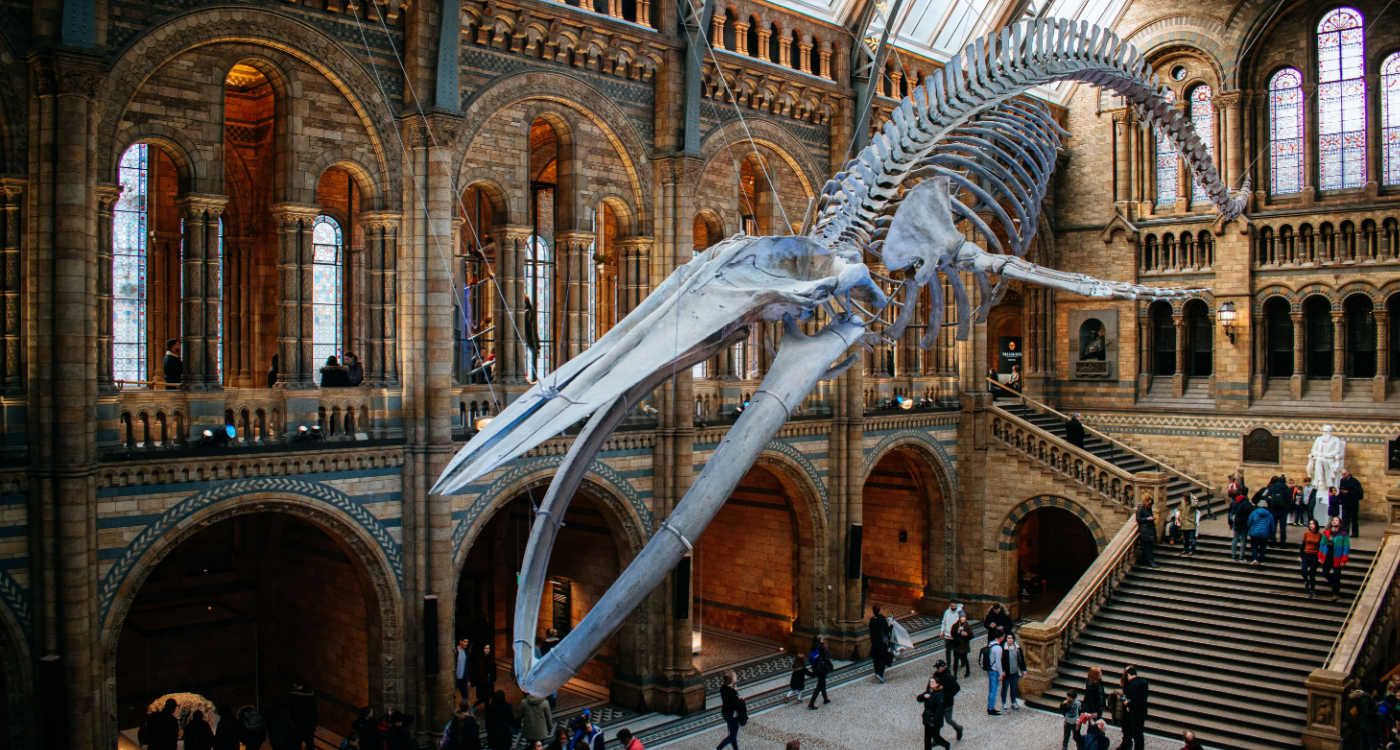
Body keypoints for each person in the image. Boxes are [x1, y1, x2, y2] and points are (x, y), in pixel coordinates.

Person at [1320, 516, 1351, 601]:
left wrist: (1344, 559)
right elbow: (1322, 545)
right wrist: (1320, 556)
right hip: (1328, 556)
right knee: (1325, 573)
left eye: (1336, 520)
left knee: (1337, 575)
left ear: (1340, 523)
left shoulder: (1343, 534)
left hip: (1337, 557)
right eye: (1333, 520)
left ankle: (1335, 593)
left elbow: (1346, 547)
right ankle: (1334, 584)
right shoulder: (1326, 532)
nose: (1334, 521)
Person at [916, 676, 952, 749]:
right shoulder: (929, 690)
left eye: (932, 682)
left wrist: (933, 721)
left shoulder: (939, 695)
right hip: (927, 718)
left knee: (936, 737)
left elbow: (939, 711)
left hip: (934, 721)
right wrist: (923, 696)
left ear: (937, 684)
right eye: (930, 682)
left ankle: (946, 745)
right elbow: (919, 699)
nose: (930, 683)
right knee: (927, 738)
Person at [1307, 425, 1346, 492]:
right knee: (1319, 460)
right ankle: (1320, 480)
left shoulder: (1335, 440)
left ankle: (1326, 481)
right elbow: (1313, 450)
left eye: (1327, 431)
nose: (1325, 433)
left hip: (1330, 459)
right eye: (1324, 431)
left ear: (1330, 432)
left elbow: (1337, 451)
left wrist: (1327, 455)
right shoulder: (1318, 439)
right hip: (1320, 457)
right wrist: (1319, 454)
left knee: (1322, 461)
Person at [932, 660, 964, 742]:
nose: (936, 669)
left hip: (947, 703)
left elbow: (957, 688)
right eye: (936, 667)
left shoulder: (949, 677)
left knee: (948, 720)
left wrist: (948, 696)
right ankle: (936, 738)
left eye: (938, 667)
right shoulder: (935, 675)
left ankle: (959, 728)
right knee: (937, 721)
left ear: (943, 667)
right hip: (938, 702)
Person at [1120, 666, 1149, 750]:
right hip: (1142, 712)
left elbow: (1131, 700)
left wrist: (1126, 702)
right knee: (1139, 734)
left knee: (1130, 733)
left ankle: (1127, 746)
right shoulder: (1144, 682)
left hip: (1132, 713)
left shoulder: (1131, 685)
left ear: (1128, 674)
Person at [1000, 632, 1026, 711]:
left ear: (1013, 639)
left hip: (1015, 672)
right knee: (1005, 688)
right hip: (1006, 673)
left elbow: (1021, 660)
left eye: (1011, 638)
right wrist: (1002, 671)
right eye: (1008, 638)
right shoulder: (1003, 649)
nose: (1009, 640)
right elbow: (1000, 661)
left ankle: (1013, 702)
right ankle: (1003, 703)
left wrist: (1023, 669)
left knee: (1014, 688)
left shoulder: (1017, 648)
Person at [718, 671, 743, 750]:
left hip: (725, 713)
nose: (736, 677)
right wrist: (737, 694)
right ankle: (719, 748)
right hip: (733, 715)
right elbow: (736, 703)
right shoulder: (732, 691)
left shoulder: (723, 688)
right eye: (735, 676)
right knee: (732, 736)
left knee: (732, 734)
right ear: (731, 680)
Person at [288, 681, 318, 750]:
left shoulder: (293, 696)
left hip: (298, 725)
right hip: (307, 725)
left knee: (298, 744)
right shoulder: (310, 696)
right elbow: (314, 711)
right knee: (309, 743)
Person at [1247, 498, 1275, 565]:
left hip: (1254, 533)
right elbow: (1272, 525)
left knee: (1254, 547)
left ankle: (1255, 559)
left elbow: (1249, 522)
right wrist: (1271, 533)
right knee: (1263, 547)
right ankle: (1262, 560)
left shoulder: (1254, 512)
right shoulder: (1269, 514)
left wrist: (1249, 529)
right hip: (1264, 534)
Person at [806, 637, 832, 709]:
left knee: (822, 685)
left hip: (818, 670)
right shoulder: (820, 648)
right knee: (819, 687)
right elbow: (826, 655)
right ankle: (811, 704)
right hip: (821, 670)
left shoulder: (813, 650)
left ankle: (825, 699)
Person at [1265, 474, 1291, 545]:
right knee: (1282, 527)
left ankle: (1273, 541)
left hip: (1274, 509)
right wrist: (1287, 509)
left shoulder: (1273, 487)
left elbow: (1267, 497)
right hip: (1283, 510)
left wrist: (1270, 505)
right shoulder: (1286, 488)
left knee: (1274, 526)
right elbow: (1289, 500)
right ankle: (1282, 543)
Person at [869, 605, 892, 682]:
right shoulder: (882, 619)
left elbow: (871, 632)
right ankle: (880, 674)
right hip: (881, 644)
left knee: (876, 659)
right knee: (882, 659)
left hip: (875, 643)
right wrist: (891, 626)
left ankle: (877, 672)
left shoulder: (872, 620)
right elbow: (886, 629)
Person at [1300, 518, 1323, 598]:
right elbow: (1302, 545)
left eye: (1313, 524)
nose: (1311, 526)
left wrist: (1320, 557)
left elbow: (1321, 547)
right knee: (1304, 571)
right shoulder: (1306, 534)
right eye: (1310, 524)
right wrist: (1301, 556)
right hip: (1306, 554)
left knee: (1312, 574)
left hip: (1315, 555)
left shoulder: (1319, 535)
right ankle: (1306, 581)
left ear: (1316, 525)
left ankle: (1312, 590)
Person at [1339, 469, 1364, 537]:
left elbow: (1358, 492)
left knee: (1354, 519)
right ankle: (1345, 532)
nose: (1343, 475)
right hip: (1345, 503)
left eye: (1344, 474)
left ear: (1348, 473)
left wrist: (1348, 492)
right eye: (1342, 474)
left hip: (1353, 503)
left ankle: (1355, 533)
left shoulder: (1354, 481)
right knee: (1345, 519)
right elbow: (1340, 490)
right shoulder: (1342, 481)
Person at [986, 631, 1005, 715]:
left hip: (990, 669)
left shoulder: (991, 644)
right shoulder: (998, 648)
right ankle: (991, 708)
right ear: (1001, 637)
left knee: (991, 690)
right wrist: (1001, 673)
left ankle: (990, 707)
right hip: (994, 671)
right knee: (993, 690)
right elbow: (998, 662)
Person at [1228, 491, 1251, 562]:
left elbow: (1230, 514)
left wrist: (1230, 523)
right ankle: (1241, 556)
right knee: (1243, 540)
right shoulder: (1246, 503)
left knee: (1235, 539)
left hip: (1236, 523)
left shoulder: (1233, 502)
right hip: (1244, 524)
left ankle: (1233, 555)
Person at [1136, 495, 1158, 568]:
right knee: (1147, 546)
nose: (1150, 505)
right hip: (1145, 530)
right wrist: (1147, 519)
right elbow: (1138, 519)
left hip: (1150, 529)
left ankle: (1146, 560)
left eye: (1151, 504)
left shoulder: (1149, 508)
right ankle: (1151, 561)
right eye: (1149, 504)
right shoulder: (1141, 508)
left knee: (1150, 546)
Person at [939, 601, 963, 666]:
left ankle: (961, 661)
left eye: (954, 606)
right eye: (951, 606)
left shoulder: (960, 612)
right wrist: (942, 631)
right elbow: (944, 622)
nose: (953, 607)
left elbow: (962, 623)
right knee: (948, 651)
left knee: (957, 650)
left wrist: (959, 631)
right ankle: (948, 664)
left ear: (956, 605)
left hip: (956, 635)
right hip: (947, 635)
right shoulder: (947, 612)